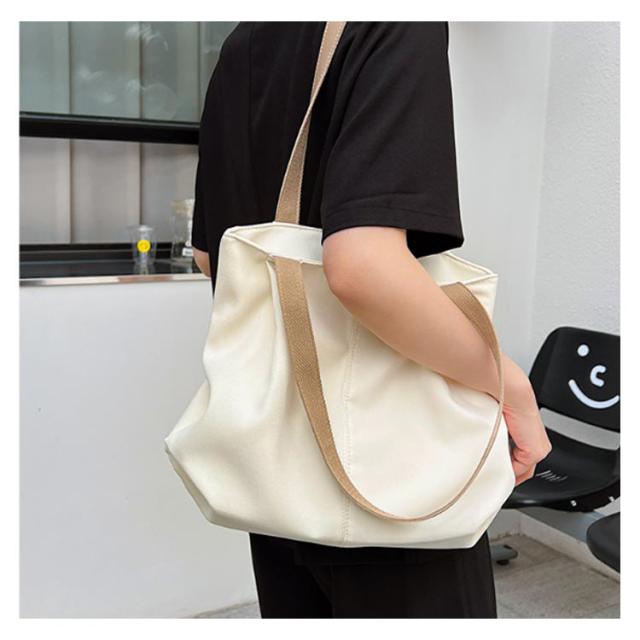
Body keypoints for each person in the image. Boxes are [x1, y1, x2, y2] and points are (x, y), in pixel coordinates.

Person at [190, 21, 551, 619]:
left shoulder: (241, 42)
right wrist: (511, 388)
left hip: (275, 467)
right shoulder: (397, 22)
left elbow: (212, 257)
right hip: (394, 470)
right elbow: (363, 268)